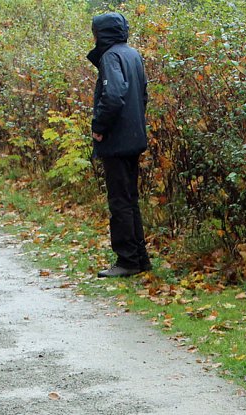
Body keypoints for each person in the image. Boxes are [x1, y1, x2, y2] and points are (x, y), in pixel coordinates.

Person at [87, 12, 151, 278]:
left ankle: (127, 261)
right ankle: (140, 259)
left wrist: (99, 127)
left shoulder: (111, 56)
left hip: (117, 140)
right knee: (130, 200)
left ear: (102, 33)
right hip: (134, 137)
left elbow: (113, 95)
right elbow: (143, 94)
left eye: (94, 32)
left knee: (119, 202)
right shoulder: (132, 54)